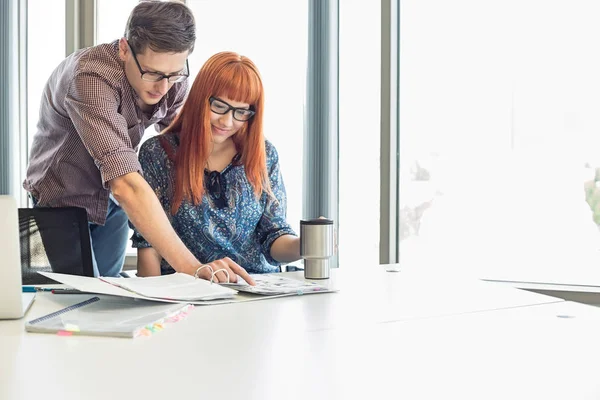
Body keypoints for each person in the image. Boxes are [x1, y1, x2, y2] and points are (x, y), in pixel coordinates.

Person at [22, 1, 252, 284]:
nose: (164, 87)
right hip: (61, 199)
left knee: (112, 293)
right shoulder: (90, 79)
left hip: (111, 202)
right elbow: (126, 184)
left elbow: (182, 141)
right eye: (153, 74)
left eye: (174, 74)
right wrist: (192, 268)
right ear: (124, 49)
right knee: (80, 298)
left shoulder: (172, 79)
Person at [131, 51, 301, 282]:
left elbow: (274, 235)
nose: (227, 121)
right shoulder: (158, 153)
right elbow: (148, 242)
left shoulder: (264, 154)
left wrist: (307, 245)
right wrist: (152, 304)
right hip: (188, 293)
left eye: (241, 112)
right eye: (220, 106)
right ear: (201, 98)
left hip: (256, 290)